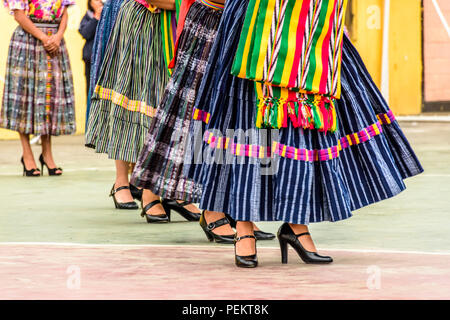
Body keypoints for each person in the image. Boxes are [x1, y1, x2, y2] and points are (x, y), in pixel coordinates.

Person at [185, 0, 424, 267]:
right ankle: (244, 227)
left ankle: (297, 225)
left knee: (306, 122)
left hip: (311, 19)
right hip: (256, 18)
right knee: (247, 122)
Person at [130, 0, 274, 241]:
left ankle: (238, 211)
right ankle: (212, 208)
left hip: (249, 21)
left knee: (241, 117)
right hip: (213, 21)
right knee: (206, 114)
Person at [85, 0, 178, 209]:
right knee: (131, 93)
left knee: (163, 98)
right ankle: (122, 181)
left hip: (171, 18)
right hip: (135, 11)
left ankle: (157, 185)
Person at [1, 0, 76, 177]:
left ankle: (47, 153)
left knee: (49, 98)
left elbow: (64, 11)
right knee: (24, 96)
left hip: (54, 43)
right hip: (28, 41)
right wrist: (43, 37)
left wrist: (57, 36)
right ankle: (27, 154)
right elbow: (19, 14)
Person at [79, 0, 104, 97]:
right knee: (90, 88)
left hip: (105, 57)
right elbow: (85, 33)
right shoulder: (87, 16)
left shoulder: (109, 15)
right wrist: (96, 17)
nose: (99, 2)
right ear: (90, 3)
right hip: (90, 58)